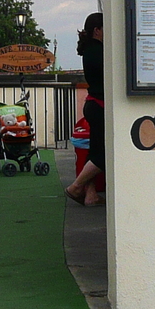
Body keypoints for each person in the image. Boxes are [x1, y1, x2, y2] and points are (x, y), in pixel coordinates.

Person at [66, 12, 105, 206]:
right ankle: (76, 187)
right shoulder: (98, 51)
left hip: (93, 104)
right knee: (103, 155)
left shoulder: (90, 49)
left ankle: (91, 194)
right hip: (100, 105)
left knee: (94, 151)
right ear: (97, 30)